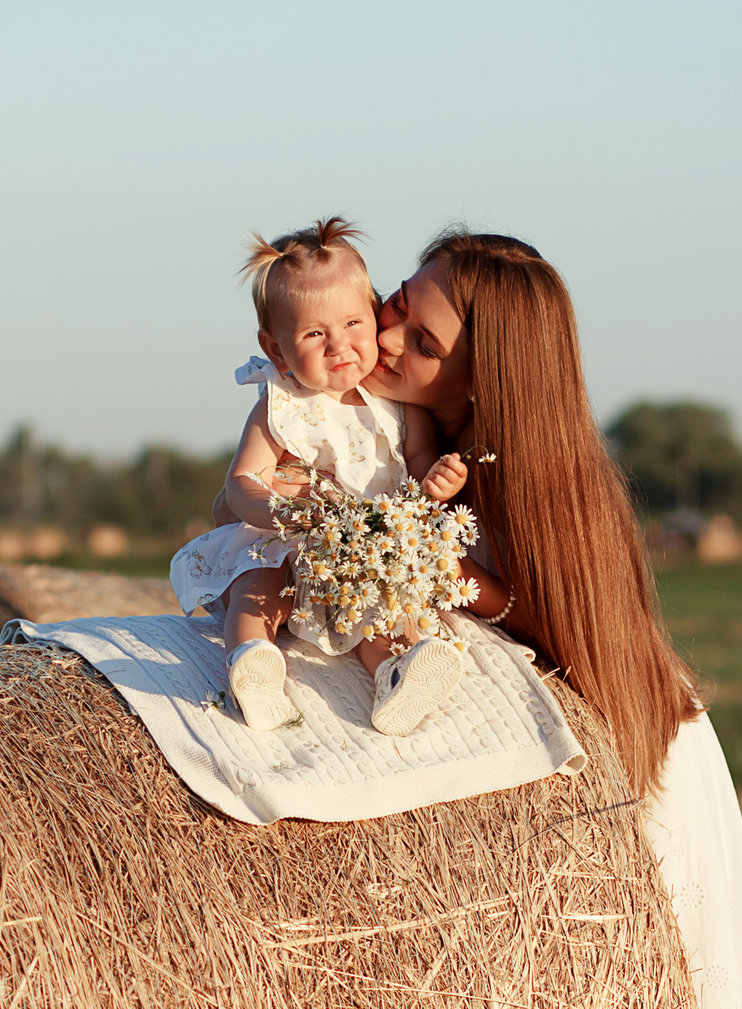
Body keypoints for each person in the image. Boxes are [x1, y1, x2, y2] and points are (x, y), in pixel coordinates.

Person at [365, 229, 742, 1009]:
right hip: (599, 728)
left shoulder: (543, 475)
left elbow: (556, 623)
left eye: (425, 343)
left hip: (643, 755)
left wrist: (446, 576)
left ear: (488, 376)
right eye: (399, 296)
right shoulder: (423, 429)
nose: (389, 330)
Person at [168, 219, 505, 737]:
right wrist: (281, 514)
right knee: (258, 583)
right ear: (276, 349)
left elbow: (417, 474)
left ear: (371, 315)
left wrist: (438, 485)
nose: (339, 345)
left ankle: (399, 674)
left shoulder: (399, 408)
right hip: (291, 538)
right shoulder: (282, 407)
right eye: (314, 333)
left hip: (360, 553)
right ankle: (252, 659)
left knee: (381, 606)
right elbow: (242, 482)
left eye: (353, 323)